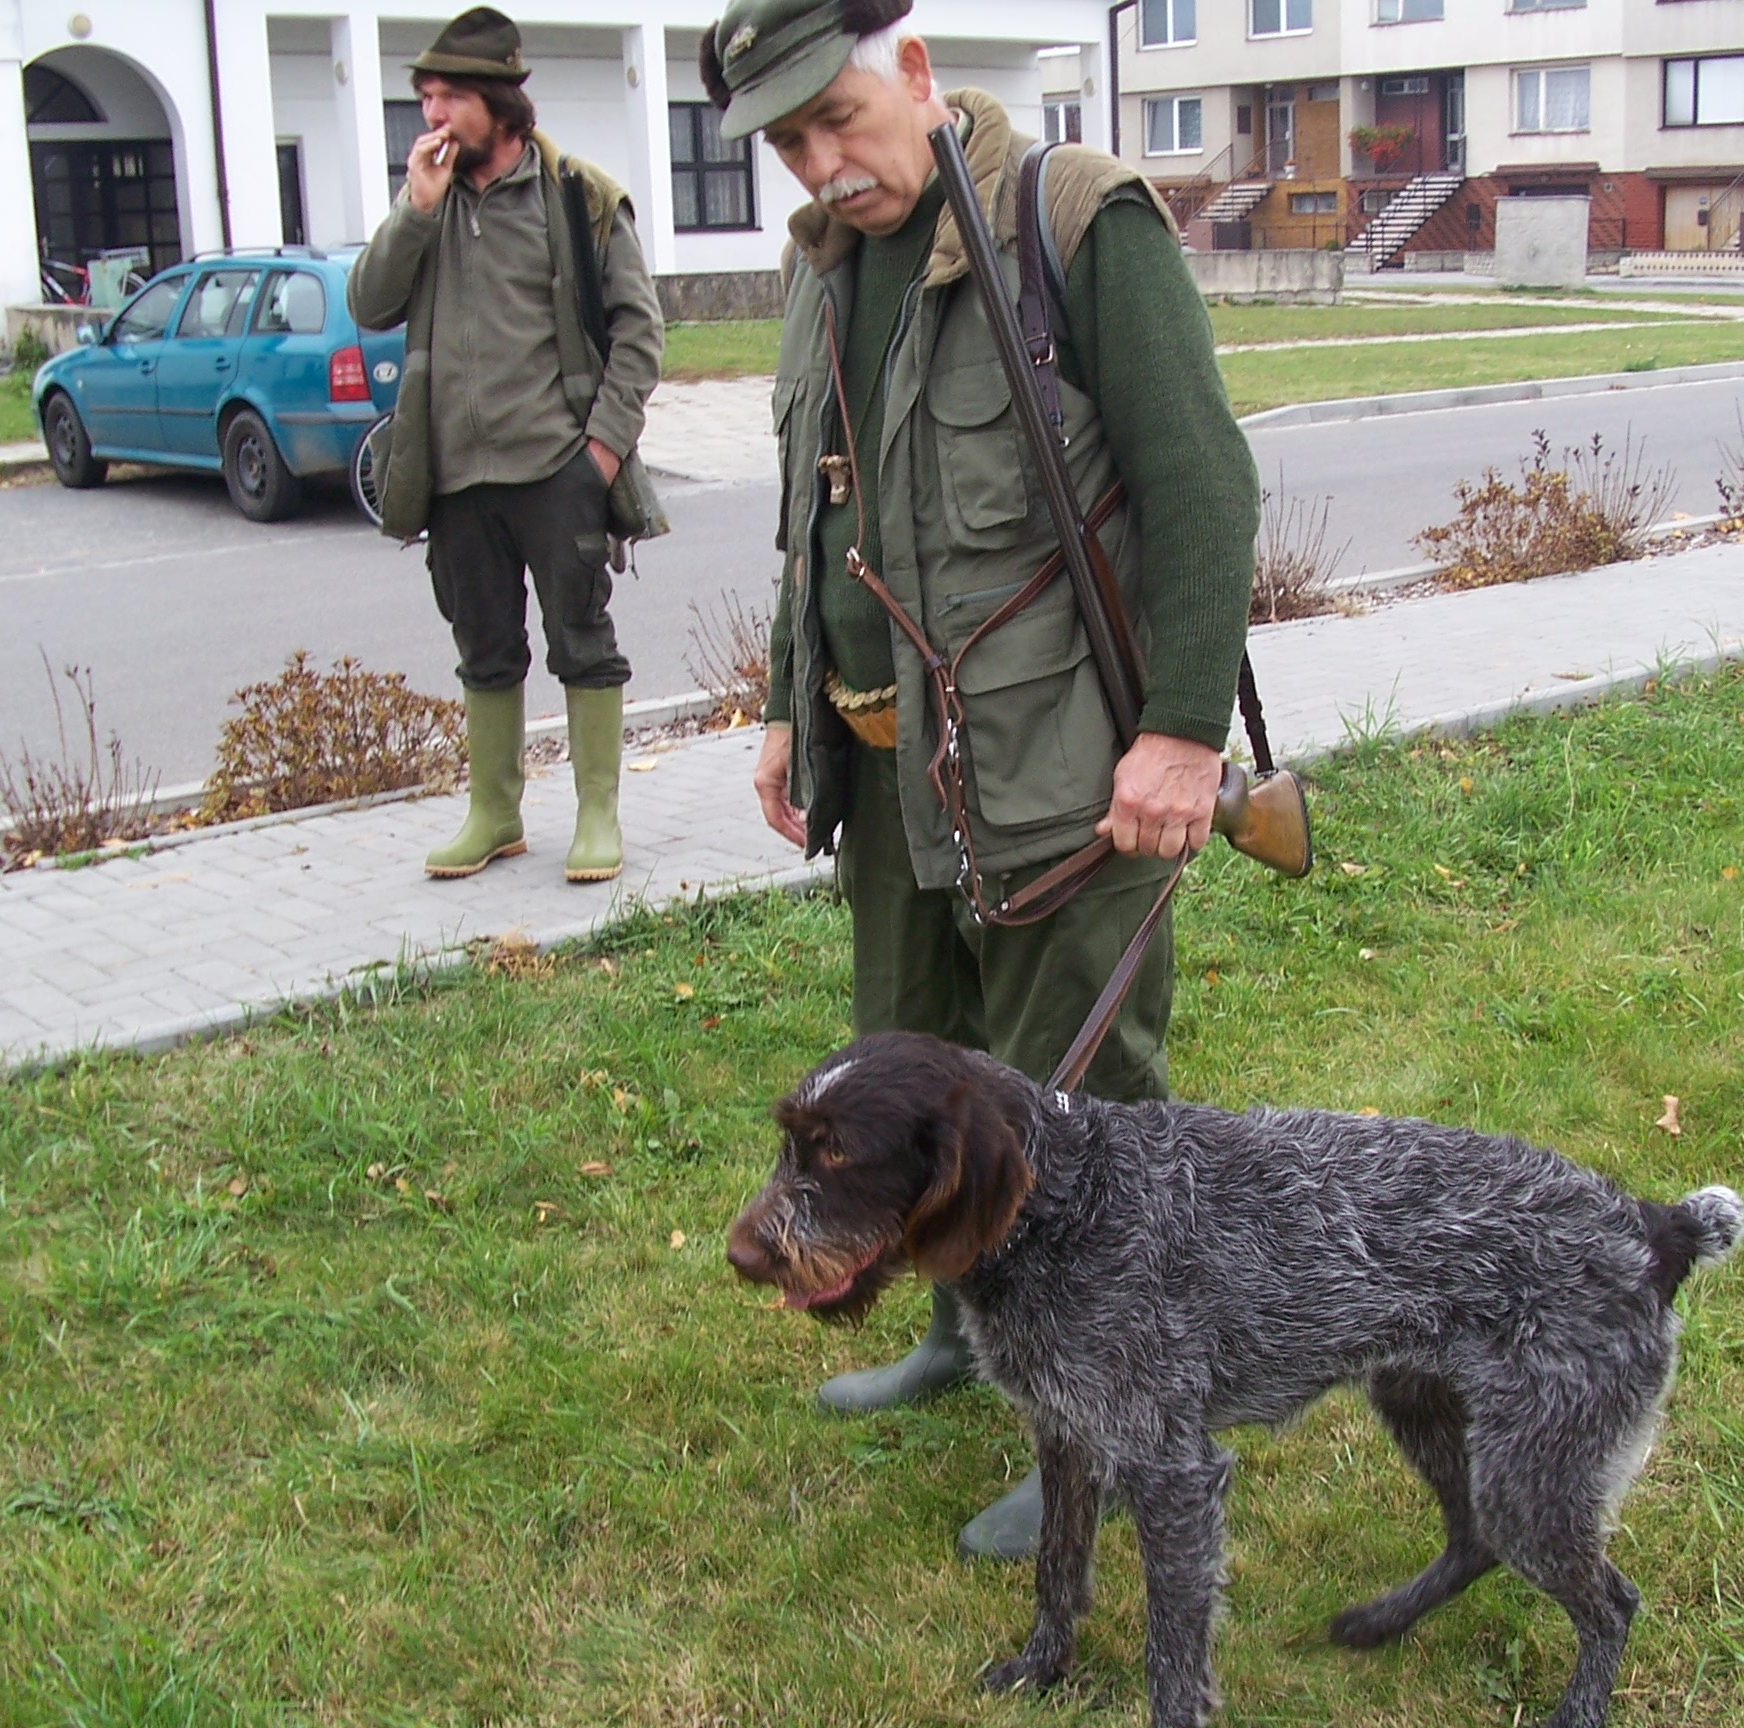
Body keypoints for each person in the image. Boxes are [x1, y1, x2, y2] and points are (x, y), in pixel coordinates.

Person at [705, 0, 1259, 1559]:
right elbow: (820, 522)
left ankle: (1108, 1421)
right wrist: (779, 708)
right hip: (891, 778)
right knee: (916, 1072)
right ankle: (962, 1333)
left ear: (922, 73)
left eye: (841, 117)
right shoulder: (827, 270)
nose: (825, 161)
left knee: (1077, 1125)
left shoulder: (1068, 223)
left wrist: (1182, 733)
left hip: (1063, 773)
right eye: (791, 142)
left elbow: (1202, 480)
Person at [348, 6, 667, 883]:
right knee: (483, 648)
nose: (433, 116)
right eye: (425, 98)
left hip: (554, 468)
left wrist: (596, 457)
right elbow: (369, 303)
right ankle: (493, 814)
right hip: (454, 478)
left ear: (497, 103)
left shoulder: (579, 197)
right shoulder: (427, 201)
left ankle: (596, 813)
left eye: (450, 96)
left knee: (582, 639)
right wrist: (415, 210)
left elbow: (640, 334)